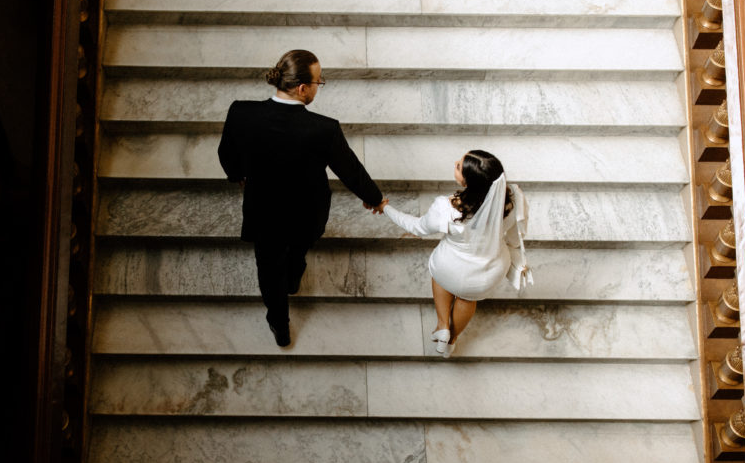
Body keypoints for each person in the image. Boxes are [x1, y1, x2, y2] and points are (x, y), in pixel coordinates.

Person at [218, 49, 384, 347]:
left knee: (267, 268)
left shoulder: (241, 112)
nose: (320, 86)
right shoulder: (324, 129)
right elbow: (351, 171)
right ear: (303, 88)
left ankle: (279, 324)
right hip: (307, 212)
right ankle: (294, 276)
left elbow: (226, 154)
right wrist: (374, 198)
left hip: (263, 210)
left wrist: (238, 175)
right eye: (320, 81)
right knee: (297, 250)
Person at [374, 150, 529, 358]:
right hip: (487, 271)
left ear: (468, 183)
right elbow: (515, 234)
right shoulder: (514, 200)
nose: (455, 162)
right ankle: (452, 340)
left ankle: (442, 325)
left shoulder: (446, 208)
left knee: (441, 278)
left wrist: (385, 208)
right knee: (467, 298)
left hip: (450, 267)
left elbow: (417, 227)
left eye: (459, 166)